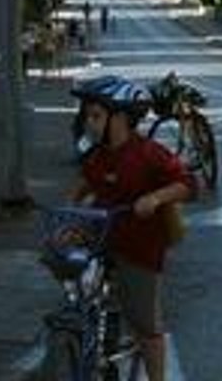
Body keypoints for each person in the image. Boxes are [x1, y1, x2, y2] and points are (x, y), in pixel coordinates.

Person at [68, 76, 195, 381]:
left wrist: (155, 197)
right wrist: (71, 208)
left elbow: (188, 184)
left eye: (96, 116)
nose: (90, 122)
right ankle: (98, 346)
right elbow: (90, 182)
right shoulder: (97, 154)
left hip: (140, 248)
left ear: (121, 118)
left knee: (146, 325)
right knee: (73, 280)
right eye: (88, 115)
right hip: (104, 236)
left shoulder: (149, 154)